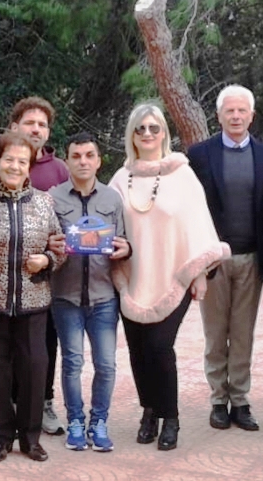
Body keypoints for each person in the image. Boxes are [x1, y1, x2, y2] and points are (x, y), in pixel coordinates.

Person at [109, 103, 229, 451]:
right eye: (140, 129)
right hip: (133, 277)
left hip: (172, 275)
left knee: (161, 348)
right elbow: (110, 225)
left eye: (154, 128)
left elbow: (197, 225)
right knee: (138, 350)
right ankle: (149, 410)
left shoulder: (182, 175)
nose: (147, 134)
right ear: (132, 135)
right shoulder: (121, 178)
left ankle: (170, 416)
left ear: (164, 133)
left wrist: (199, 274)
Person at [186, 85, 263, 433]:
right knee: (215, 333)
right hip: (212, 260)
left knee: (243, 333)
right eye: (230, 111)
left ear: (251, 116)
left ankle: (240, 400)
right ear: (220, 115)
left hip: (252, 257)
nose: (236, 116)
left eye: (242, 111)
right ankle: (218, 400)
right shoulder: (199, 155)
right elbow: (191, 209)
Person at [0, 96, 70, 436]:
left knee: (36, 364)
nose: (15, 166)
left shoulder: (46, 201)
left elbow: (59, 246)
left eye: (22, 162)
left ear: (30, 165)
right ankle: (4, 434)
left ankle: (31, 435)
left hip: (35, 297)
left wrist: (47, 259)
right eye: (9, 160)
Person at [49, 132, 130, 452]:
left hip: (103, 296)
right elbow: (45, 241)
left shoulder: (112, 199)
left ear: (98, 160)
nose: (83, 161)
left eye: (89, 155)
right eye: (76, 156)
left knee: (107, 364)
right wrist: (53, 246)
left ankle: (99, 421)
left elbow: (122, 241)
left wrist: (124, 249)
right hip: (65, 296)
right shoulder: (52, 198)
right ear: (67, 160)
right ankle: (75, 422)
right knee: (72, 362)